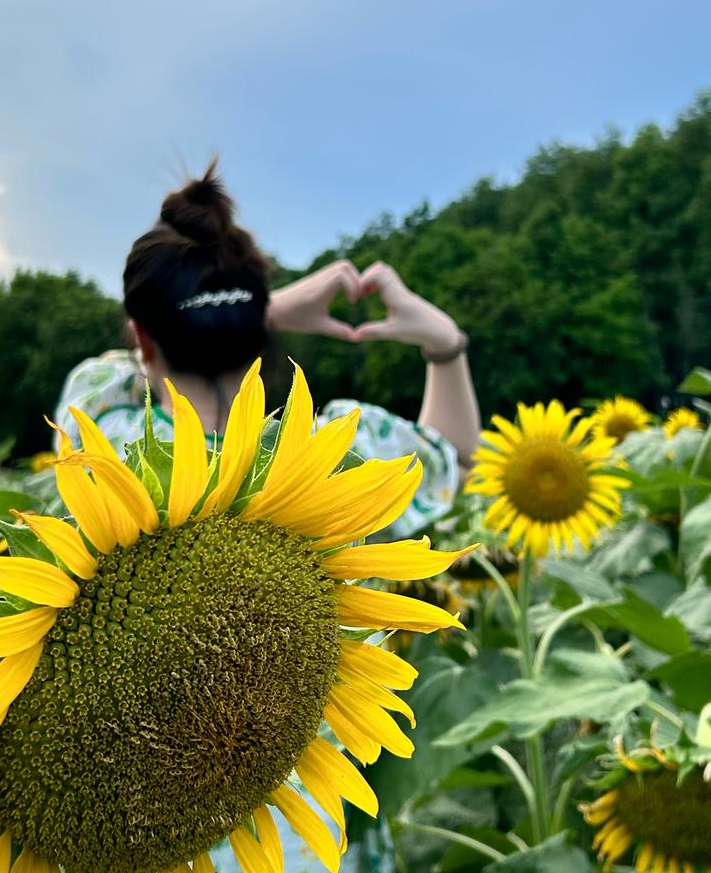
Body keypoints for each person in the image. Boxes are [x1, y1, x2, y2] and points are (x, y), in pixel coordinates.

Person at [53, 161, 481, 871]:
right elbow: (455, 460)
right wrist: (445, 344)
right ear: (259, 331)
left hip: (150, 822)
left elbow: (108, 369)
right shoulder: (335, 454)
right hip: (298, 817)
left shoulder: (111, 437)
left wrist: (251, 309)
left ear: (142, 335)